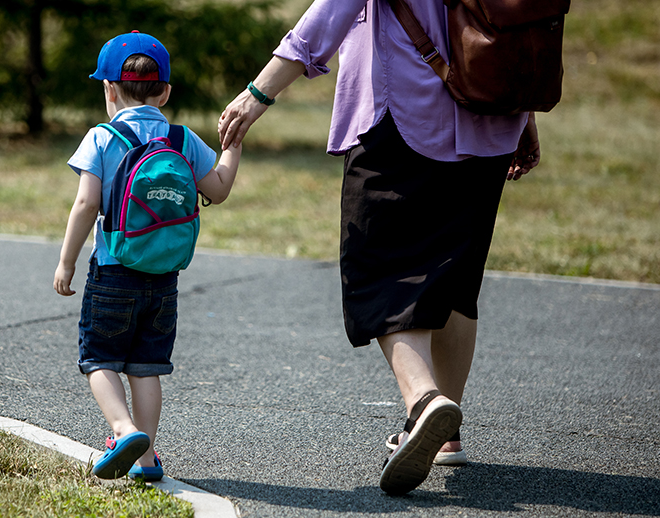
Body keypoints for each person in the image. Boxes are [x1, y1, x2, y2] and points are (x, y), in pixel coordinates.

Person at [218, 0, 541, 495]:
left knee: (379, 268)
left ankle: (423, 401)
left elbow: (332, 10)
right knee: (457, 278)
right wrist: (520, 107)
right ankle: (445, 437)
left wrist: (259, 92)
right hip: (492, 114)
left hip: (405, 113)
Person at [54, 30, 242, 482]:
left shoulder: (102, 137)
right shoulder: (181, 139)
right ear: (166, 91)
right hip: (164, 277)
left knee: (98, 358)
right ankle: (147, 457)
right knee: (146, 368)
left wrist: (66, 262)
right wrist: (233, 145)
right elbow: (217, 188)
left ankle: (121, 431)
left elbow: (85, 204)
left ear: (109, 89)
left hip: (114, 270)